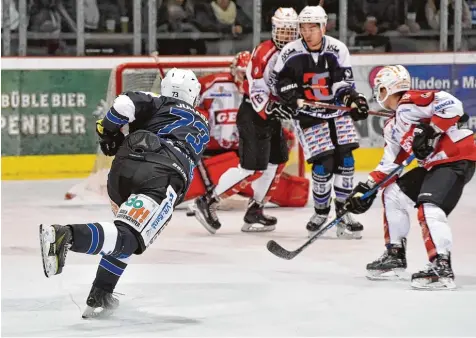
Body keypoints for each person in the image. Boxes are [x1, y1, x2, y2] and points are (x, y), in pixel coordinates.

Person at [39, 68, 209, 317]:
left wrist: (108, 132)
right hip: (161, 175)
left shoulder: (157, 102)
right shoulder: (202, 122)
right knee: (129, 236)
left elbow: (123, 103)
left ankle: (101, 293)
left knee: (123, 234)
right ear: (193, 94)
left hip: (122, 170)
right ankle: (66, 235)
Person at [345, 65, 476, 290]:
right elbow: (390, 164)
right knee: (393, 193)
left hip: (456, 157)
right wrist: (365, 189)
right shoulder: (392, 126)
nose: (378, 93)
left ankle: (440, 266)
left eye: (380, 88)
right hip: (434, 165)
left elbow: (452, 105)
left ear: (387, 89)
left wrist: (431, 130)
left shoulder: (410, 102)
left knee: (429, 206)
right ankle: (394, 255)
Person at [191, 7, 300, 234]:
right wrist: (271, 106)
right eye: (282, 30)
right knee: (251, 168)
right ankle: (208, 201)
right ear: (274, 29)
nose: (287, 36)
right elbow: (254, 87)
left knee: (277, 160)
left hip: (271, 118)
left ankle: (255, 210)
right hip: (254, 116)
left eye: (291, 31)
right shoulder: (263, 52)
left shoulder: (297, 53)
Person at [273, 5, 370, 239]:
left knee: (346, 160)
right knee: (323, 164)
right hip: (308, 115)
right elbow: (280, 81)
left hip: (336, 112)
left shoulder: (338, 49)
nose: (307, 32)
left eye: (312, 28)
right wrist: (294, 98)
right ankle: (321, 212)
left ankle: (344, 212)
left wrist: (352, 99)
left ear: (323, 27)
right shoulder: (289, 52)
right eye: (303, 28)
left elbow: (342, 83)